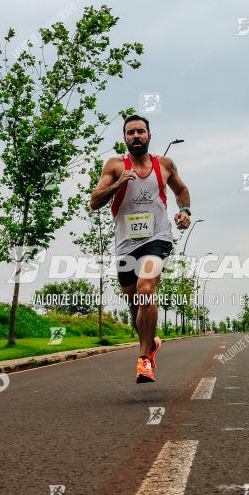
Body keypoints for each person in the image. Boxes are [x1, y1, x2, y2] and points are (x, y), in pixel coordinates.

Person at [90, 114, 192, 383]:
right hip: (125, 245)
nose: (136, 136)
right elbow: (94, 202)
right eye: (130, 133)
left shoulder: (165, 164)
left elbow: (181, 190)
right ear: (125, 138)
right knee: (135, 306)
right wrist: (117, 184)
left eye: (140, 132)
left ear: (149, 135)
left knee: (146, 289)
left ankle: (144, 359)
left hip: (157, 238)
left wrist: (184, 211)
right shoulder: (114, 165)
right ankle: (150, 345)